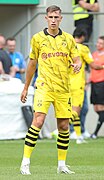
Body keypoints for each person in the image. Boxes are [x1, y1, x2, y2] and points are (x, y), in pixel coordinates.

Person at [20, 5, 82, 175]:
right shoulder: (38, 38)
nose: (53, 20)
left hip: (63, 89)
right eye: (51, 17)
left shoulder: (69, 39)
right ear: (46, 18)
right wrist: (26, 87)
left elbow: (77, 60)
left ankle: (62, 164)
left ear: (61, 19)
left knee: (63, 126)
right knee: (38, 121)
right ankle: (25, 162)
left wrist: (77, 65)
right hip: (44, 87)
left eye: (56, 17)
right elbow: (32, 64)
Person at [69, 27, 104, 144]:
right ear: (83, 36)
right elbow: (93, 64)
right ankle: (59, 129)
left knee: (73, 110)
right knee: (77, 110)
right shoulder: (83, 48)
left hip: (66, 84)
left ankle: (79, 136)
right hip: (78, 84)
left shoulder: (66, 46)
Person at [90, 36, 104, 139]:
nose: (98, 45)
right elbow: (92, 67)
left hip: (101, 83)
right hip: (93, 83)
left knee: (101, 107)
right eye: (98, 43)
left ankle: (95, 133)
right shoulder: (93, 55)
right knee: (96, 108)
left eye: (101, 43)